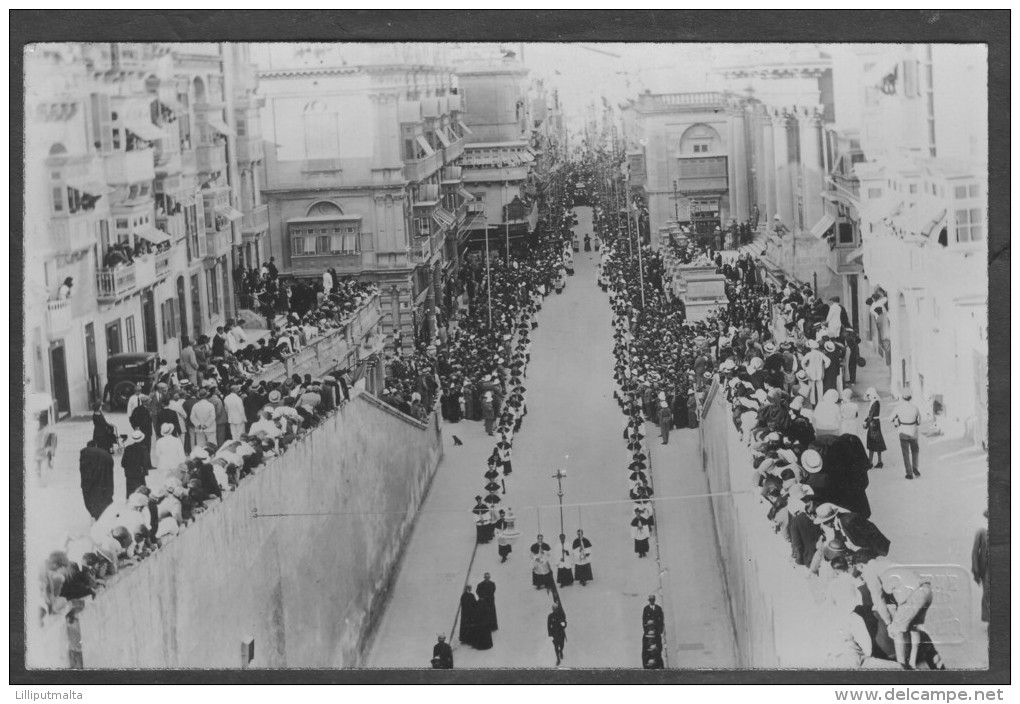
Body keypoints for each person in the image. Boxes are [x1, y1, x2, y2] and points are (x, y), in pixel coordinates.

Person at [79, 441, 114, 521]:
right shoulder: (105, 455)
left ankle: (96, 515)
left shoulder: (84, 454)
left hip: (90, 484)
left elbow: (83, 471)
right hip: (104, 482)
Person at [891, 390, 921, 479]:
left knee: (905, 453)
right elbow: (919, 421)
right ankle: (915, 468)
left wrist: (896, 419)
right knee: (915, 451)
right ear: (910, 397)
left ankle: (909, 473)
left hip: (903, 431)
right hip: (913, 432)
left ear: (902, 397)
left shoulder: (898, 408)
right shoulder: (915, 408)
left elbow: (890, 418)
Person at [120, 429, 151, 497]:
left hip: (129, 475)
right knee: (142, 493)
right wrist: (145, 472)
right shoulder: (143, 449)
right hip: (139, 474)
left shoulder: (127, 448)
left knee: (130, 493)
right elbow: (145, 463)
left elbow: (123, 463)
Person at [971, 510, 989, 624]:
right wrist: (976, 569)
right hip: (986, 568)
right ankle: (989, 620)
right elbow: (974, 552)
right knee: (988, 592)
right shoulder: (981, 531)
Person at [863, 388, 887, 468]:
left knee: (872, 442)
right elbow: (870, 415)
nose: (868, 397)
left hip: (873, 424)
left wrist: (867, 423)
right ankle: (879, 461)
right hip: (875, 423)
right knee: (877, 442)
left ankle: (870, 462)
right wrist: (866, 420)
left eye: (869, 395)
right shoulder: (875, 402)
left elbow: (872, 414)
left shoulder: (875, 403)